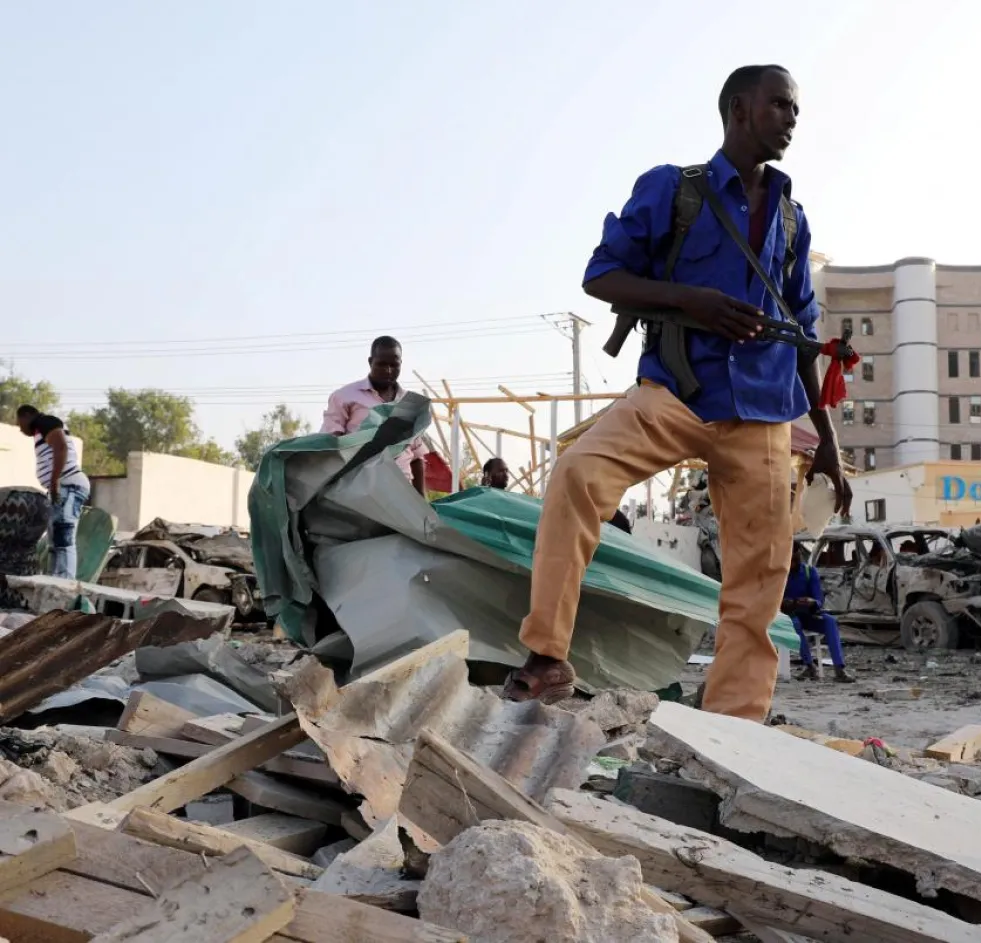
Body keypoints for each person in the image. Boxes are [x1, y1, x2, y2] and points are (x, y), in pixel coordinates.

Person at [502, 64, 852, 719]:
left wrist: (828, 442)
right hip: (677, 396)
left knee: (759, 579)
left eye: (796, 109)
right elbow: (601, 276)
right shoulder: (672, 190)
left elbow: (805, 334)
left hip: (765, 419)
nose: (793, 119)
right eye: (781, 105)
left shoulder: (792, 219)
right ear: (740, 110)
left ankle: (732, 727)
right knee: (577, 473)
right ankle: (548, 657)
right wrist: (691, 300)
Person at [322, 336, 429, 493]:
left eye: (394, 365)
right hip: (358, 489)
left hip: (402, 491)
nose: (388, 370)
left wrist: (422, 504)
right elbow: (329, 445)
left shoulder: (410, 403)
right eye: (381, 364)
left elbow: (417, 456)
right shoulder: (344, 396)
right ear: (370, 361)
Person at [14, 405, 91, 579]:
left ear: (27, 416)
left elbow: (61, 447)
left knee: (63, 537)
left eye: (20, 423)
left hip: (68, 484)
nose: (20, 429)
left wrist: (54, 480)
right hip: (61, 486)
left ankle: (64, 583)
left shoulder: (44, 421)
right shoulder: (40, 431)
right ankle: (55, 580)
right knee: (55, 539)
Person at [783, 543, 853, 682]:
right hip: (790, 615)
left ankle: (839, 668)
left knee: (830, 621)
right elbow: (777, 600)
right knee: (795, 624)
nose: (791, 564)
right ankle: (809, 666)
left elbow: (818, 598)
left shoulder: (809, 572)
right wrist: (793, 602)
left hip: (808, 614)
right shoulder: (781, 575)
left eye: (794, 560)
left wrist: (813, 602)